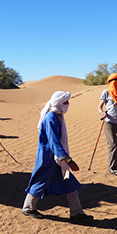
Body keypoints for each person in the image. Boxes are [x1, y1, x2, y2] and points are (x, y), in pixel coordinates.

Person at [22, 91, 93, 222]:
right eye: (65, 102)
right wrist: (68, 160)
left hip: (57, 157)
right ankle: (28, 208)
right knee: (40, 181)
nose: (68, 104)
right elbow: (53, 141)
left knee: (69, 182)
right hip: (48, 157)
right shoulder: (51, 118)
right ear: (59, 104)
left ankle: (76, 212)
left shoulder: (58, 116)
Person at [97, 73, 117, 175]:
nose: (114, 83)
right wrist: (102, 112)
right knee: (113, 144)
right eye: (112, 81)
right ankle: (112, 167)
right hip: (109, 122)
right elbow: (99, 106)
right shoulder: (106, 92)